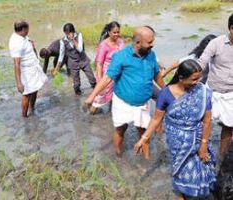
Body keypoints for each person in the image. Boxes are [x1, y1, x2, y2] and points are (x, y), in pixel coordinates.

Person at [134, 59, 216, 200]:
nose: (198, 82)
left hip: (197, 137)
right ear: (181, 78)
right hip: (177, 140)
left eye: (199, 78)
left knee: (200, 167)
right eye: (194, 79)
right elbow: (156, 119)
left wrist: (203, 145)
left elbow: (207, 121)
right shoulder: (165, 93)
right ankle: (182, 194)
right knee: (182, 168)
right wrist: (144, 138)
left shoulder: (202, 92)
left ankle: (199, 193)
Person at [85, 26, 165, 158]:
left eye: (153, 41)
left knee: (144, 132)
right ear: (138, 42)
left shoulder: (151, 55)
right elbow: (107, 78)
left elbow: (157, 76)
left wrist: (166, 90)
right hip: (123, 102)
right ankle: (118, 156)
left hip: (143, 103)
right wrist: (92, 96)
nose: (153, 44)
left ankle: (146, 159)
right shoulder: (121, 56)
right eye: (149, 42)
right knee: (121, 129)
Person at [198, 13, 233, 155]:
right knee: (204, 122)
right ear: (231, 28)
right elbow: (201, 63)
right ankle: (201, 150)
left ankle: (221, 157)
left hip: (231, 94)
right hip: (212, 91)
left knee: (228, 126)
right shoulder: (216, 43)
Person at [9, 20, 47, 117]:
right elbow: (16, 63)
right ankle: (24, 117)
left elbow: (32, 50)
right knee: (26, 94)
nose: (28, 31)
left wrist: (33, 47)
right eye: (28, 29)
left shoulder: (24, 37)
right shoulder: (16, 43)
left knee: (35, 88)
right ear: (23, 29)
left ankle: (32, 108)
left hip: (33, 68)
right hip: (26, 72)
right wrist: (19, 83)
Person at [88, 21, 124, 114]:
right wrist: (100, 81)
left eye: (118, 32)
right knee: (99, 98)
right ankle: (90, 115)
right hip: (107, 76)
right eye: (114, 32)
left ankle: (112, 113)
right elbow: (99, 64)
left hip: (119, 75)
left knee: (116, 95)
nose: (117, 34)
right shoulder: (104, 45)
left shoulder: (120, 41)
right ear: (109, 32)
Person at [52, 23, 96, 95]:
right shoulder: (62, 41)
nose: (68, 35)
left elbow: (80, 49)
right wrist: (56, 68)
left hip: (83, 60)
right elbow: (61, 55)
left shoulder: (79, 35)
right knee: (76, 84)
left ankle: (95, 92)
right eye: (66, 33)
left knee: (92, 79)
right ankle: (78, 99)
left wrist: (73, 40)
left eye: (69, 33)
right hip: (73, 63)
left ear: (73, 31)